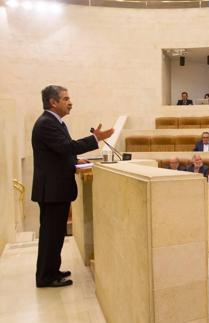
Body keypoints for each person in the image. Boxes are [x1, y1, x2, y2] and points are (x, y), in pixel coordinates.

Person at [32, 85, 114, 288]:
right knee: (51, 235)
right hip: (51, 190)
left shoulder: (56, 123)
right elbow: (66, 147)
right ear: (53, 102)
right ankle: (45, 277)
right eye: (66, 98)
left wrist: (77, 161)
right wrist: (96, 139)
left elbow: (61, 153)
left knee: (56, 234)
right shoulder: (46, 124)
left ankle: (52, 270)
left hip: (56, 189)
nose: (71, 102)